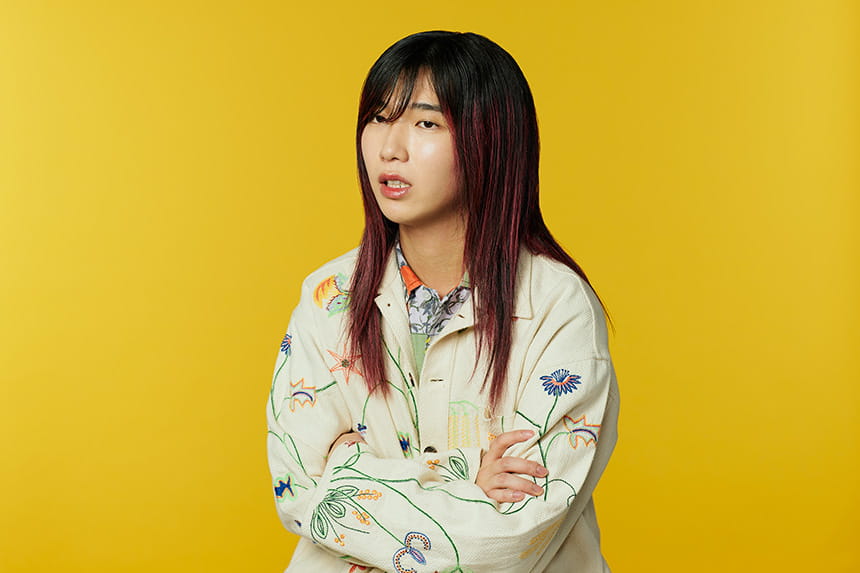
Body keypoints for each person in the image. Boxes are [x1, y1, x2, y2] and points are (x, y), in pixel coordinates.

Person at [267, 31, 619, 573]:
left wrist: (351, 471)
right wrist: (469, 472)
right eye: (379, 118)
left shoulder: (557, 305)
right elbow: (300, 490)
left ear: (490, 139)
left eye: (426, 123)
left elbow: (514, 535)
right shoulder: (329, 295)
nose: (390, 148)